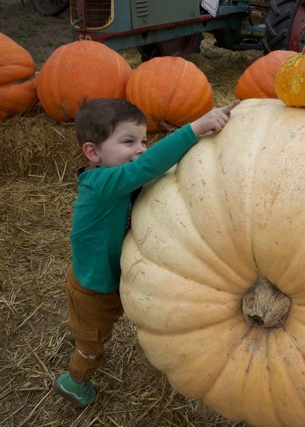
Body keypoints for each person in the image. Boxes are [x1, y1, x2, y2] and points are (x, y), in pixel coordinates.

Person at [53, 97, 238, 407]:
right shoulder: (101, 184)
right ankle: (75, 379)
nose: (140, 149)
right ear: (93, 152)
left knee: (110, 326)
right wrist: (194, 129)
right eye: (128, 141)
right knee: (92, 343)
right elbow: (146, 167)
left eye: (144, 140)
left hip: (115, 279)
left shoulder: (119, 181)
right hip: (91, 289)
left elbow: (151, 173)